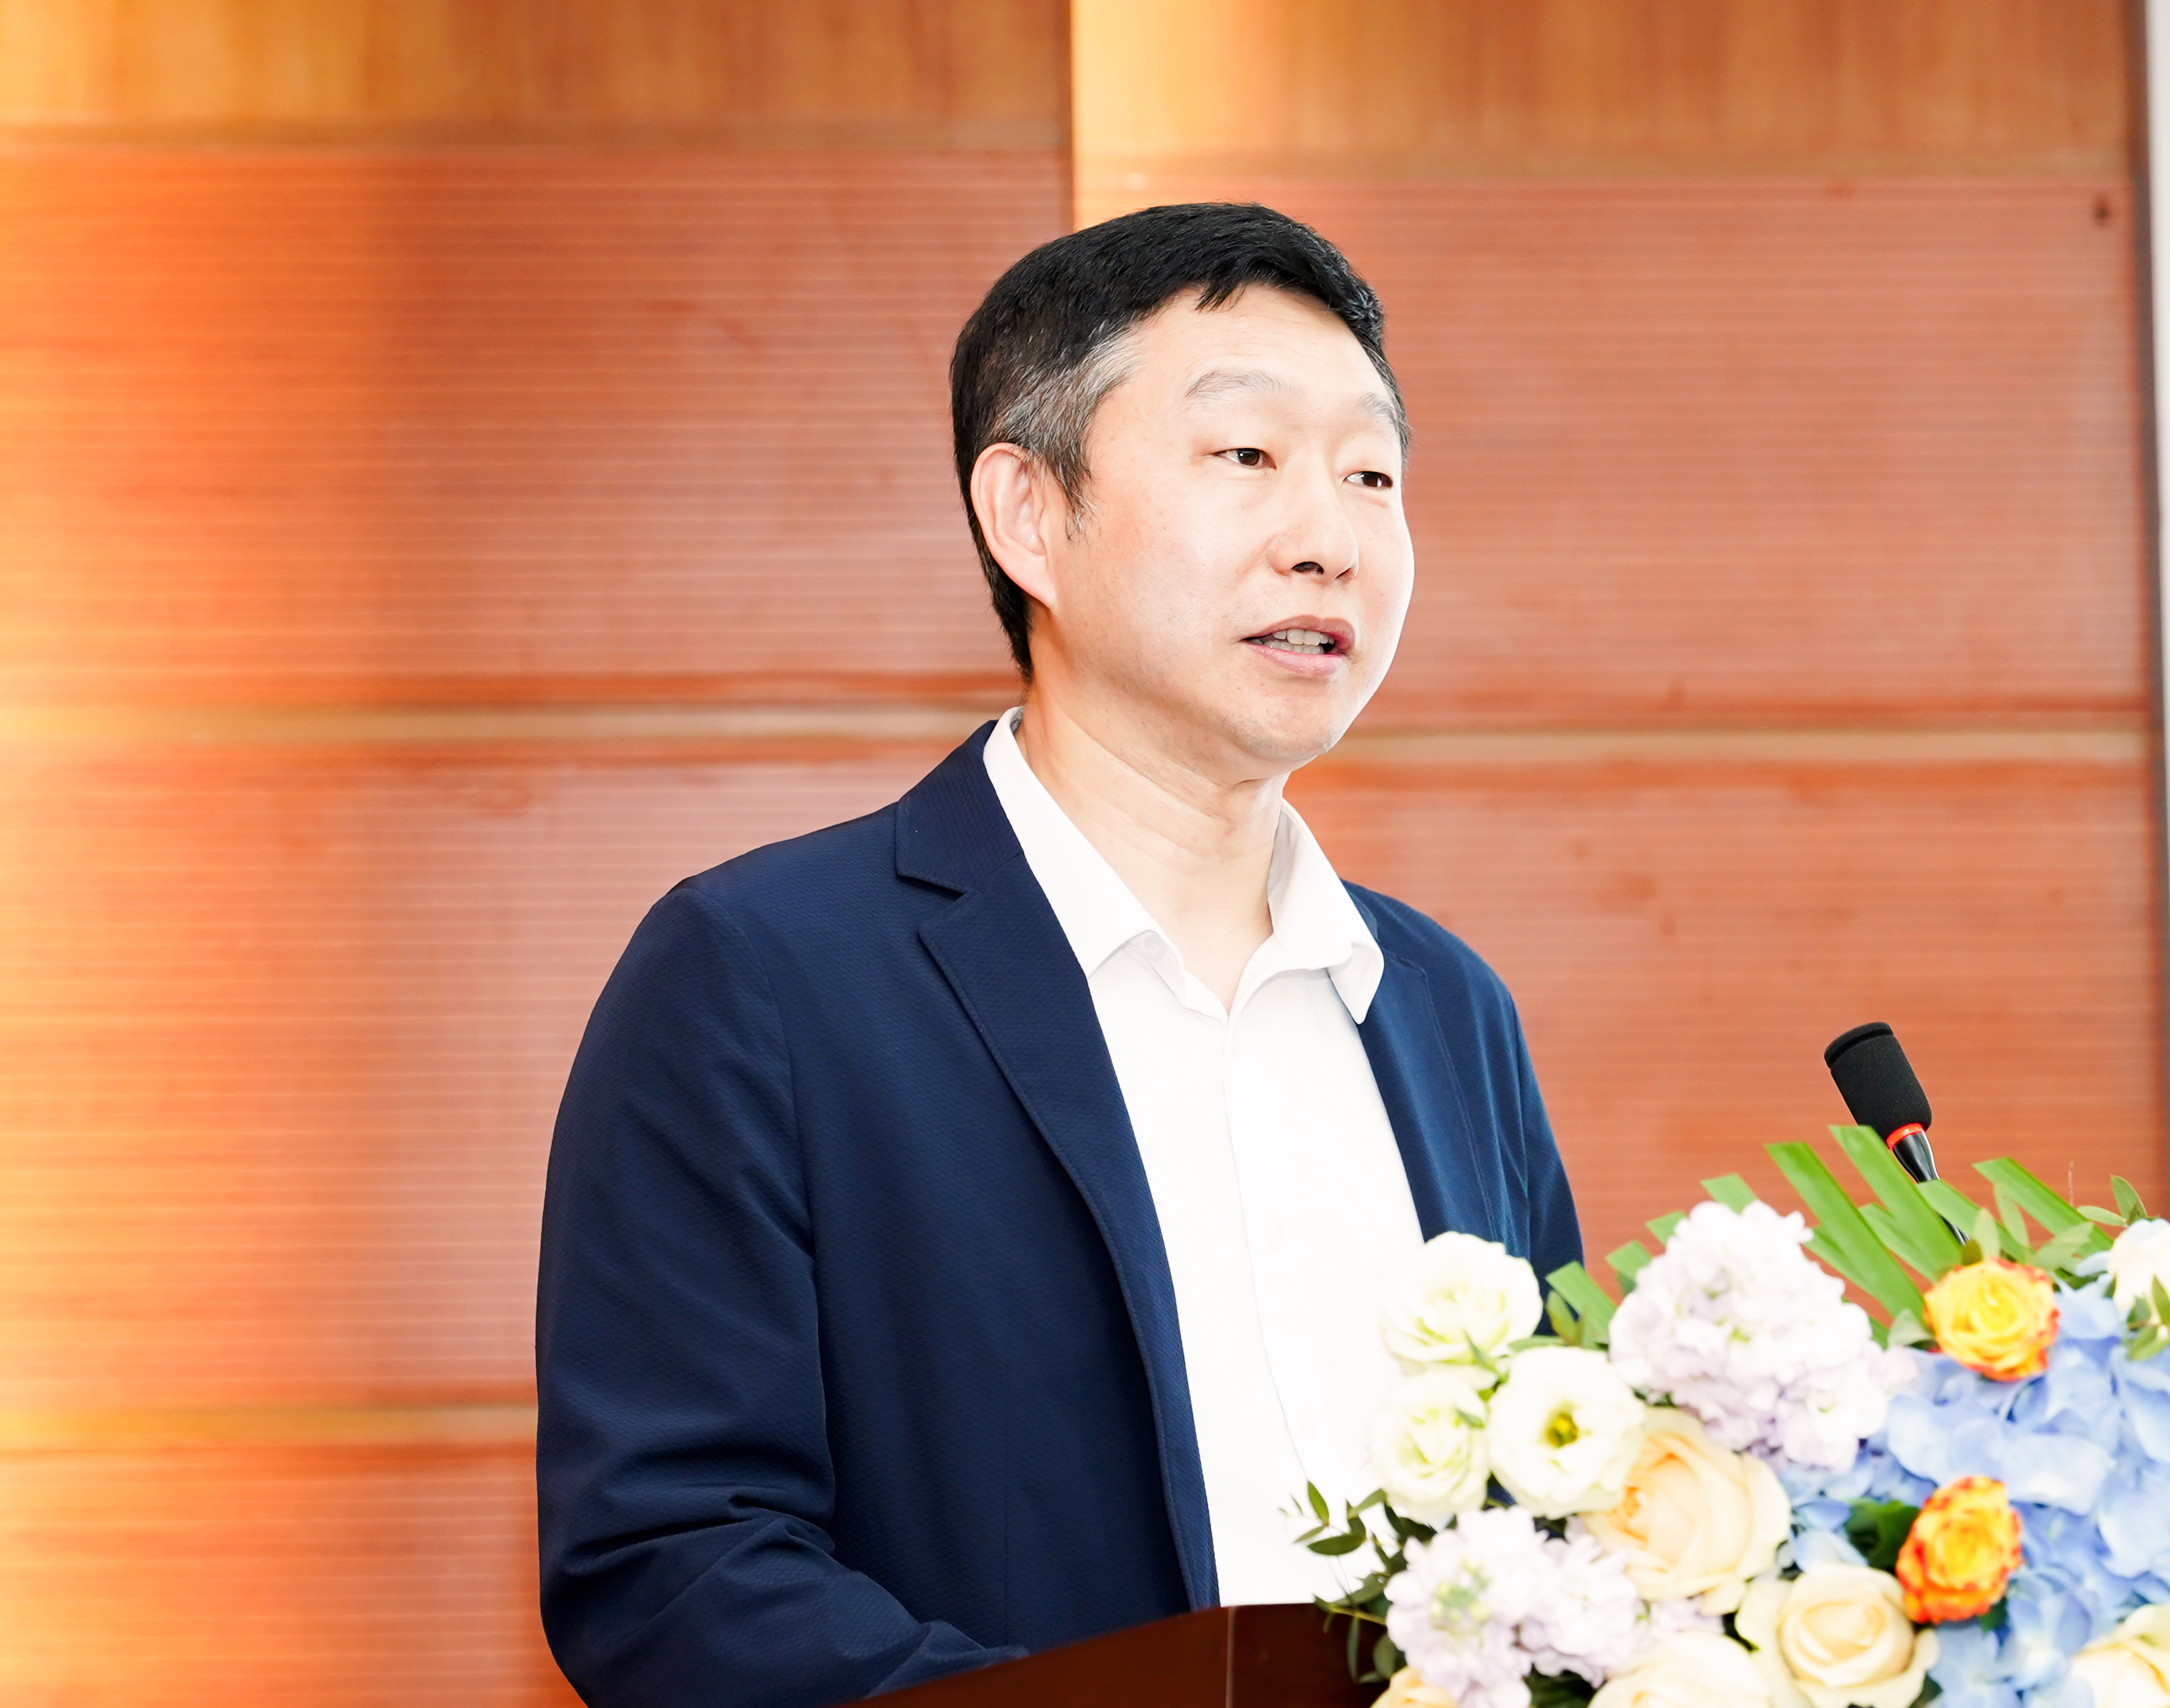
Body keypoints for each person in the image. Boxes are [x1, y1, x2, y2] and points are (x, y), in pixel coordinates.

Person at [536, 203, 1581, 1707]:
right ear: (1028, 514)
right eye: (1247, 456)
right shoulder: (762, 977)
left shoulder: (1443, 1006)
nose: (1329, 538)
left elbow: (1566, 1503)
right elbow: (670, 1563)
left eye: (1371, 474)